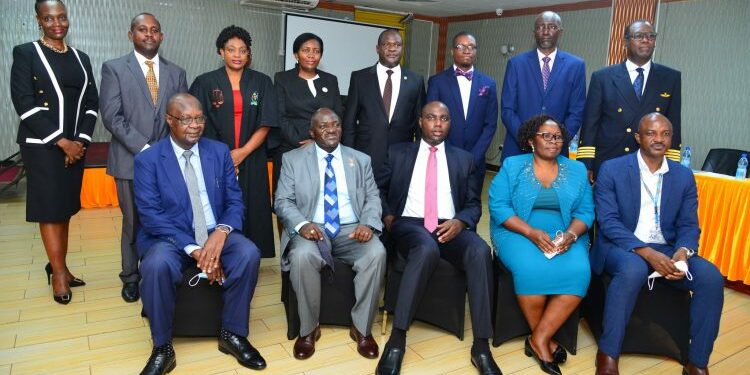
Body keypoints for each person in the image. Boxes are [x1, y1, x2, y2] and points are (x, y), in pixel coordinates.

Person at [134, 93, 265, 374]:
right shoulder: (149, 160)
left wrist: (221, 231)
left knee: (248, 253)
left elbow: (234, 201)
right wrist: (194, 248)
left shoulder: (218, 151)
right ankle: (162, 346)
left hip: (214, 228)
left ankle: (232, 333)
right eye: (186, 119)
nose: (195, 125)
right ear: (169, 120)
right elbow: (151, 215)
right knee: (156, 264)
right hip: (170, 235)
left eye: (199, 118)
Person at [591, 113, 723, 375]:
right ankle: (608, 354)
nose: (659, 139)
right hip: (621, 245)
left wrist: (682, 253)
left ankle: (697, 362)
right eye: (651, 133)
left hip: (666, 246)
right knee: (633, 269)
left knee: (711, 277)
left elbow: (688, 224)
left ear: (671, 139)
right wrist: (647, 253)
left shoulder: (683, 176)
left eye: (665, 134)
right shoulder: (612, 168)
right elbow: (608, 222)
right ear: (638, 137)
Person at [376, 101, 500, 375]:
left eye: (443, 119)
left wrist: (461, 221)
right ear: (420, 121)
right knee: (425, 248)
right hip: (409, 223)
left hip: (449, 226)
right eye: (431, 118)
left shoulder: (463, 158)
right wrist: (387, 216)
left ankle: (481, 345)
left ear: (449, 124)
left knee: (480, 251)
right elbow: (377, 190)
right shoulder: (398, 153)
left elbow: (473, 204)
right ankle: (397, 340)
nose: (437, 124)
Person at [275, 108, 386, 360]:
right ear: (312, 132)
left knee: (377, 253)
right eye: (323, 126)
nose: (331, 129)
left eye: (335, 124)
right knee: (302, 257)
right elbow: (283, 201)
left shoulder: (360, 159)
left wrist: (368, 224)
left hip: (351, 229)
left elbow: (372, 197)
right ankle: (308, 330)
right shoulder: (293, 159)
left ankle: (361, 329)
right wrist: (302, 224)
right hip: (311, 228)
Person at [489, 115, 593, 375]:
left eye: (557, 136)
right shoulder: (513, 165)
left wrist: (570, 235)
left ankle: (538, 338)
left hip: (565, 231)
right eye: (546, 135)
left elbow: (586, 211)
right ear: (530, 140)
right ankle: (544, 340)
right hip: (517, 230)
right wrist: (531, 232)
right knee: (530, 267)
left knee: (580, 270)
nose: (553, 141)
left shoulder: (577, 169)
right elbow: (499, 206)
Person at [10, 0, 98, 304]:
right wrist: (62, 142)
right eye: (49, 18)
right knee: (50, 208)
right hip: (44, 146)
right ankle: (58, 274)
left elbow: (91, 104)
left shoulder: (81, 57)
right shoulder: (26, 53)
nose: (57, 23)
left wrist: (81, 142)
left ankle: (60, 264)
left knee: (64, 207)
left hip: (76, 147)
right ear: (39, 20)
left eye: (61, 17)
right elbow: (25, 104)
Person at [100, 12, 188, 303]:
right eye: (142, 30)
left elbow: (181, 118)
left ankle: (159, 271)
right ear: (131, 35)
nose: (149, 34)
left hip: (168, 164)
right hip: (129, 161)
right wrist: (146, 149)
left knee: (167, 219)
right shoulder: (114, 69)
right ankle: (131, 277)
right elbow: (112, 116)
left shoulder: (176, 72)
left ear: (161, 36)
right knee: (134, 221)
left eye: (154, 30)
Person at [189, 25, 277, 258]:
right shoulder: (205, 82)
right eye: (231, 49)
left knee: (253, 206)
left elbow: (267, 121)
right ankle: (213, 253)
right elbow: (197, 123)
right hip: (214, 158)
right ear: (221, 52)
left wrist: (243, 152)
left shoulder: (262, 82)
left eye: (242, 50)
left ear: (249, 54)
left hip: (253, 156)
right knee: (218, 204)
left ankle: (249, 256)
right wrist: (225, 155)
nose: (237, 55)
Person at [578, 20, 682, 182]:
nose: (646, 40)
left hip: (650, 164)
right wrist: (586, 164)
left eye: (651, 36)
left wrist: (673, 164)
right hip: (609, 160)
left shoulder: (670, 77)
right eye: (639, 36)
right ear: (625, 42)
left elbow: (673, 124)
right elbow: (590, 124)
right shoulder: (603, 77)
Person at [500, 11, 586, 161]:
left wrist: (556, 140)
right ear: (534, 33)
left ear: (560, 32)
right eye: (540, 27)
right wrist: (527, 139)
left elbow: (576, 111)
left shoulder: (576, 65)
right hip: (518, 150)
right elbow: (508, 109)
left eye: (552, 26)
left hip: (557, 152)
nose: (546, 31)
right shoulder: (516, 64)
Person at [342, 28, 425, 176]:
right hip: (365, 158)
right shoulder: (360, 78)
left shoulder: (416, 81)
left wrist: (418, 155)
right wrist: (349, 155)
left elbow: (420, 124)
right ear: (377, 48)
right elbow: (349, 122)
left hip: (401, 158)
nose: (392, 48)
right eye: (387, 44)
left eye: (397, 45)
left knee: (397, 199)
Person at [273, 33, 342, 197]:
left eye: (316, 51)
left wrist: (317, 143)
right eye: (306, 50)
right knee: (288, 200)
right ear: (296, 54)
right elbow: (280, 116)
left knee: (319, 198)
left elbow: (338, 115)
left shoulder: (330, 80)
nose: (311, 55)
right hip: (291, 148)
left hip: (325, 150)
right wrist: (300, 143)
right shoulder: (282, 79)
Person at [426, 32, 498, 186]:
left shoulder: (488, 83)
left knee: (472, 206)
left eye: (471, 47)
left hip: (475, 162)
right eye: (461, 46)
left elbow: (490, 125)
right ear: (452, 51)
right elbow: (431, 122)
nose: (467, 50)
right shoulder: (437, 82)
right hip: (443, 157)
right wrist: (447, 153)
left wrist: (474, 156)